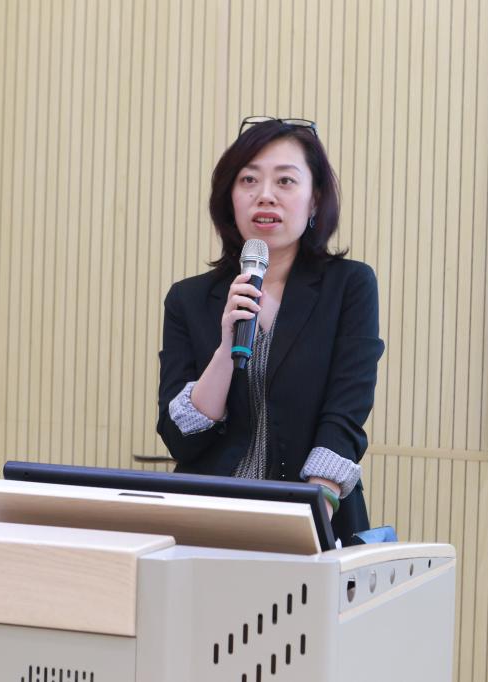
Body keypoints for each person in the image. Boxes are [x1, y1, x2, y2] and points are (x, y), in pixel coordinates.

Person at [157, 117, 385, 544]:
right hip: (207, 522)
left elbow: (346, 412)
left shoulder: (349, 286)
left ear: (314, 201)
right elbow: (180, 439)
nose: (265, 195)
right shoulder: (189, 299)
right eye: (249, 180)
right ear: (229, 198)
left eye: (285, 181)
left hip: (312, 516)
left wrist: (315, 509)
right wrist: (226, 347)